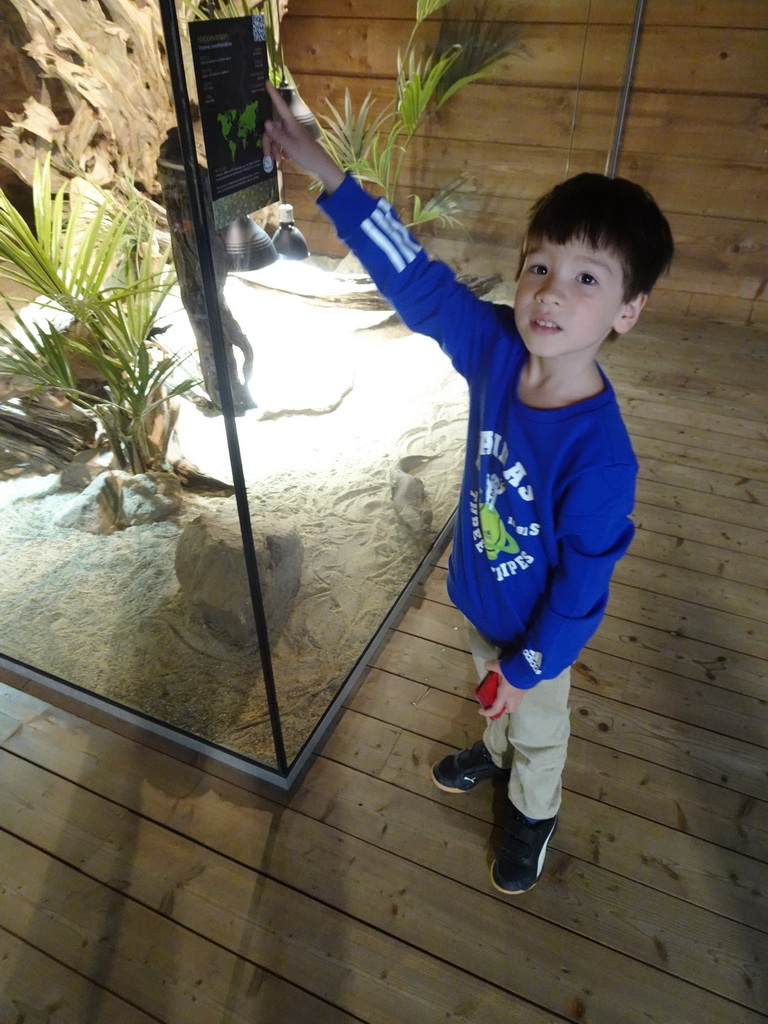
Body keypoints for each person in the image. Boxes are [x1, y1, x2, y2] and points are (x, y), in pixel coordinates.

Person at [263, 82, 674, 895]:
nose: (551, 290)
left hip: (541, 638)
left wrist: (529, 667)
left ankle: (533, 809)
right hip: (478, 595)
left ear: (628, 312)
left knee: (539, 727)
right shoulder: (493, 348)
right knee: (488, 694)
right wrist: (326, 173)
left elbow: (584, 587)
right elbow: (416, 278)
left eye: (588, 279)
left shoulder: (601, 458)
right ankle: (493, 755)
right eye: (540, 265)